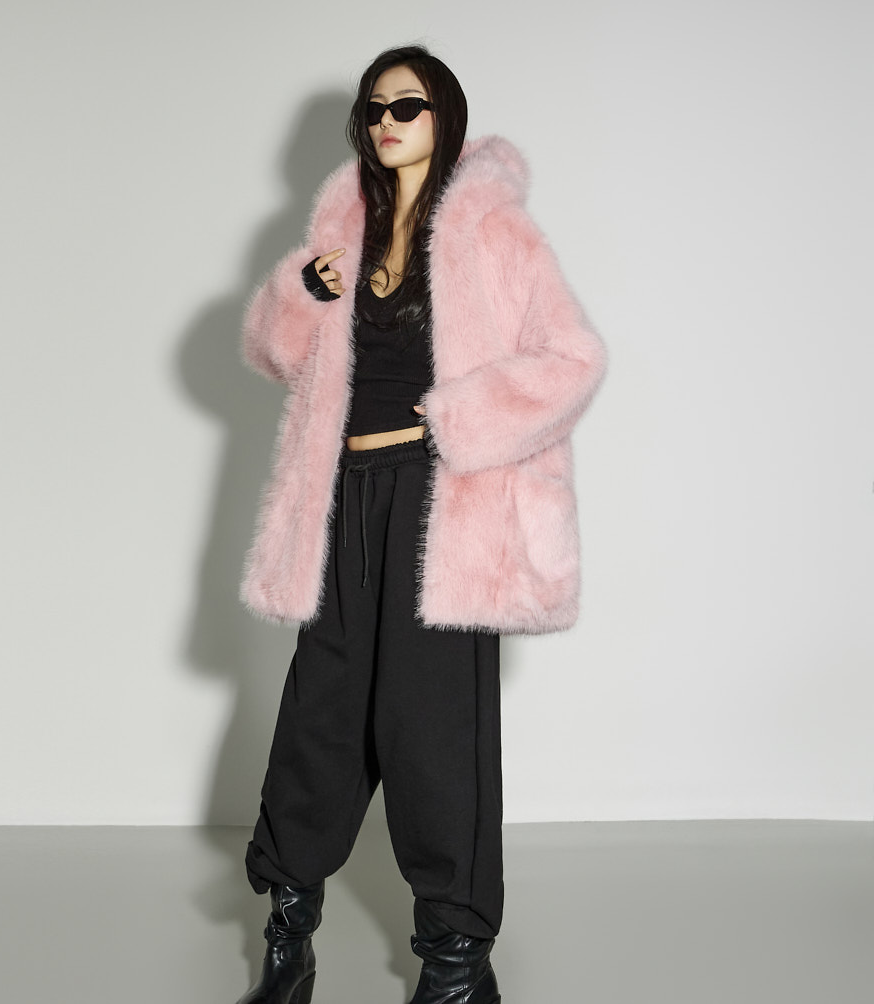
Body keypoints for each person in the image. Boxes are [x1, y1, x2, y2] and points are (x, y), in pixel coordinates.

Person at [234, 44, 607, 1004]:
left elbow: (573, 359)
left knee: (433, 729)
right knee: (320, 716)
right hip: (342, 503)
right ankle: (289, 937)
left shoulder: (491, 229)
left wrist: (458, 421)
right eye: (373, 108)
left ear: (444, 116)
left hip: (442, 508)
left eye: (407, 105)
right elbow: (273, 355)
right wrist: (299, 294)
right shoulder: (341, 233)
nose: (386, 121)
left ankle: (455, 965)